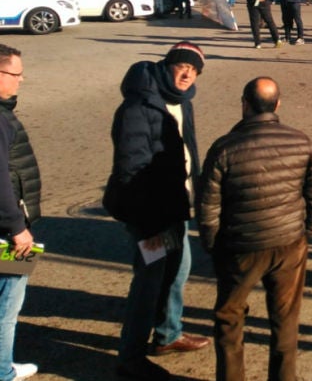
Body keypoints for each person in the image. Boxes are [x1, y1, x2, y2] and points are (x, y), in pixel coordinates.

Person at [197, 77, 312, 381]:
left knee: (229, 317)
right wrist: (306, 232)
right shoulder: (300, 141)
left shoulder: (224, 148)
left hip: (240, 246)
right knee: (285, 318)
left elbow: (208, 207)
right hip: (289, 242)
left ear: (244, 104)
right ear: (277, 105)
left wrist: (213, 246)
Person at [105, 42, 210, 381]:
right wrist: (149, 223)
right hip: (151, 213)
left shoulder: (183, 101)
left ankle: (167, 333)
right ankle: (130, 358)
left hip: (175, 206)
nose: (187, 75)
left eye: (194, 70)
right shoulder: (139, 106)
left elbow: (189, 149)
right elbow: (130, 167)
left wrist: (197, 188)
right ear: (168, 65)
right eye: (182, 67)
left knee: (179, 269)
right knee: (149, 281)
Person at [0, 44, 41, 381]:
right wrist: (17, 226)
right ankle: (3, 370)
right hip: (8, 228)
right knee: (9, 300)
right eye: (15, 74)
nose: (21, 80)